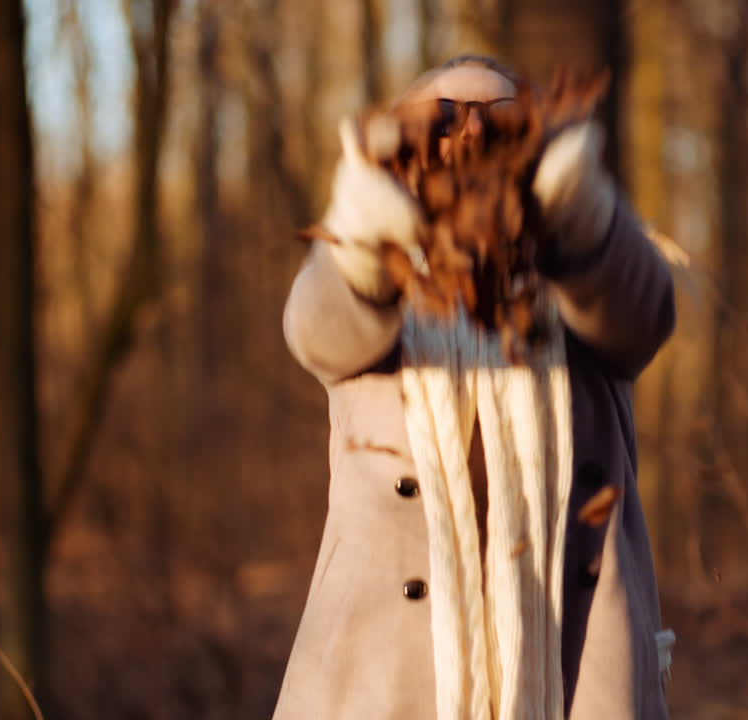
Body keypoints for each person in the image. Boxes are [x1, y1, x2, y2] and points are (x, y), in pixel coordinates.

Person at [274, 55, 676, 720]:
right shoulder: (373, 291)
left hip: (574, 684)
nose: (468, 140)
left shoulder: (583, 286)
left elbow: (645, 311)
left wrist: (578, 218)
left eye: (502, 123)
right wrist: (364, 239)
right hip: (381, 683)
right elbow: (315, 326)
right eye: (441, 121)